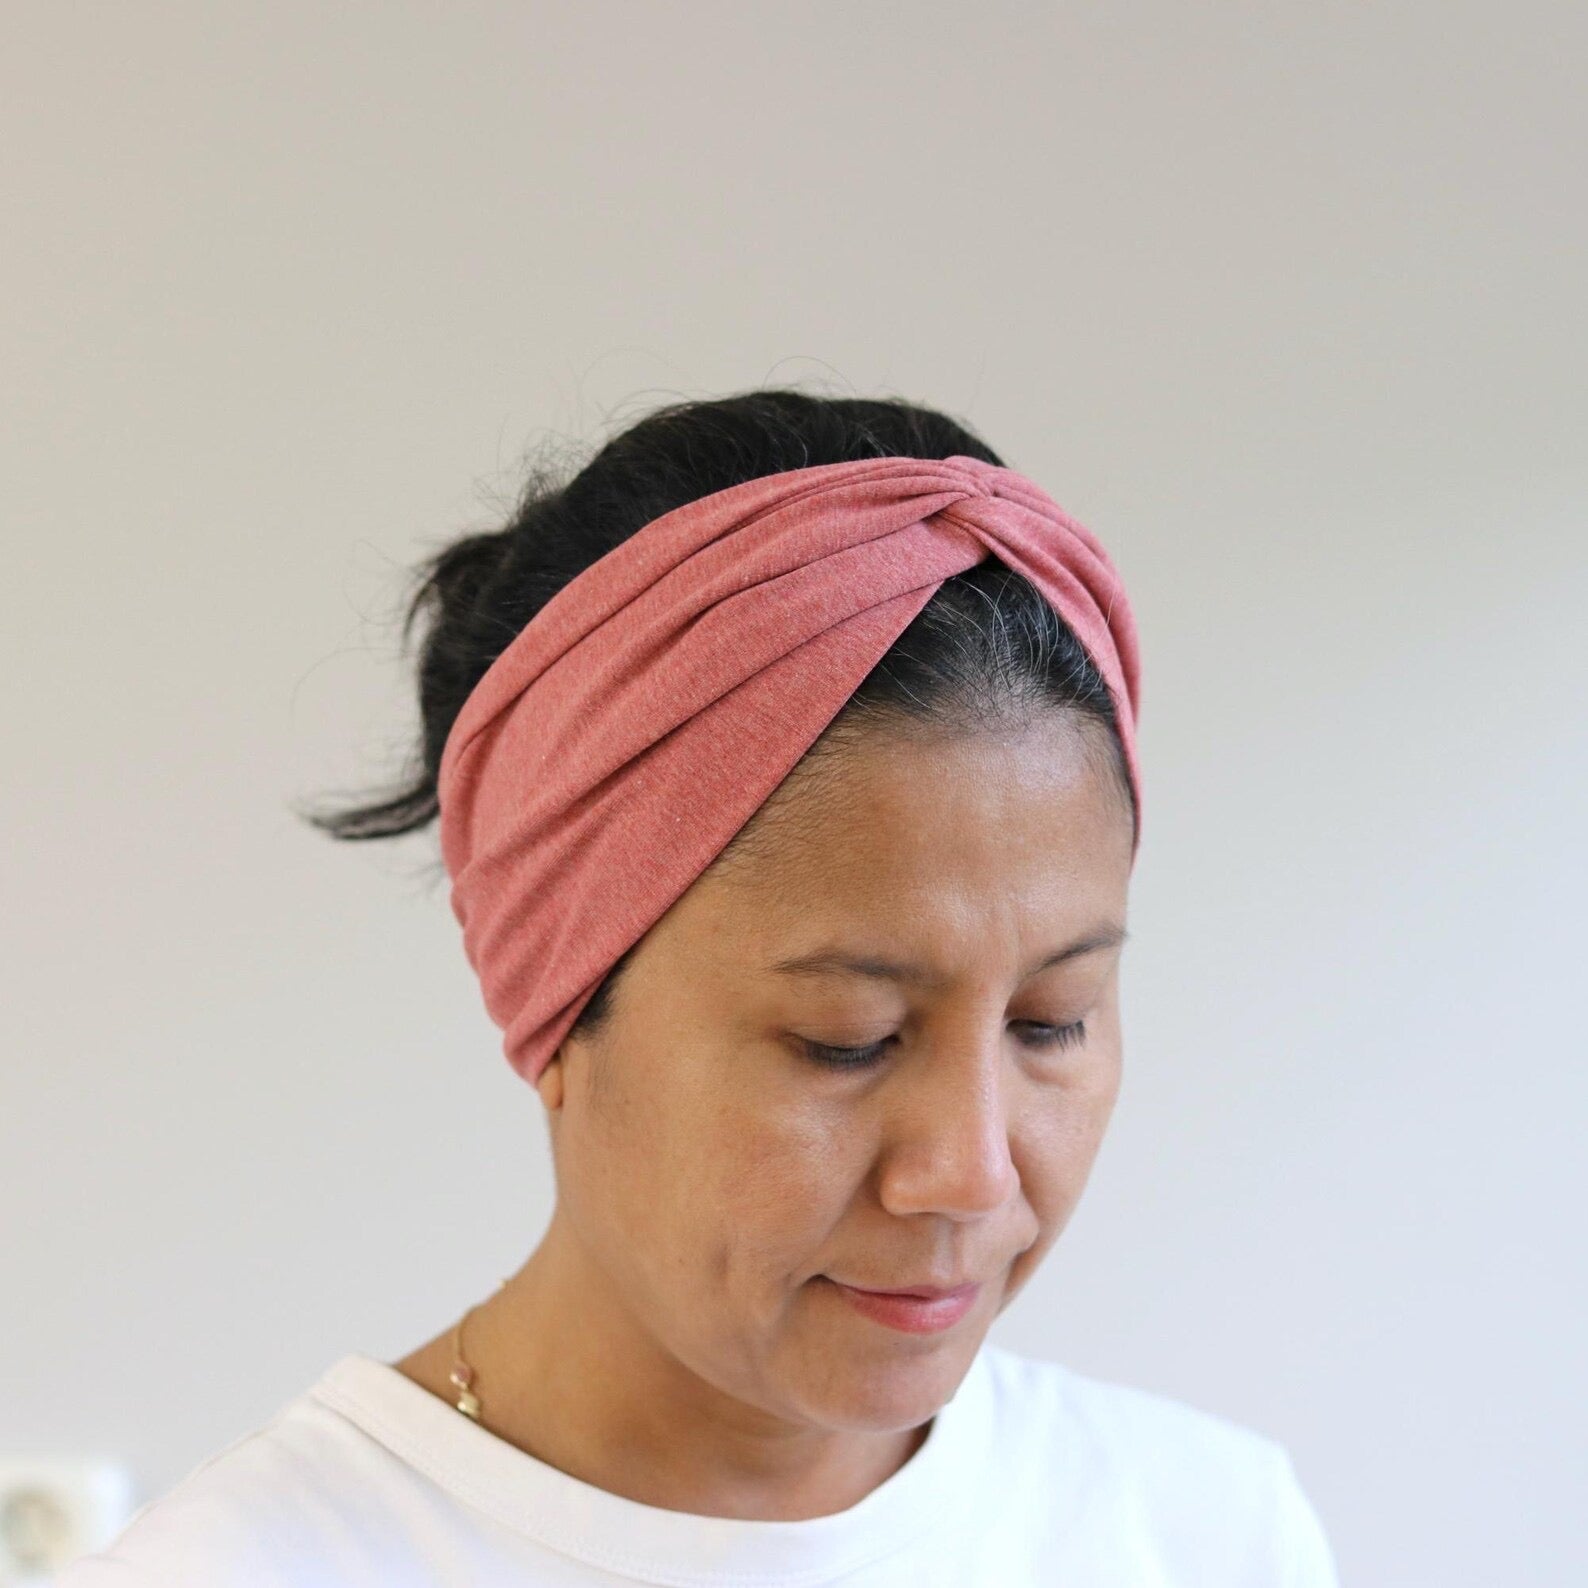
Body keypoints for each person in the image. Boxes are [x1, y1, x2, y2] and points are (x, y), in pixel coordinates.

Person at [58, 389, 1340, 1585]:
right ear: (559, 1005)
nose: (971, 1172)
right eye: (847, 1038)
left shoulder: (1205, 1533)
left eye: (1050, 1021)